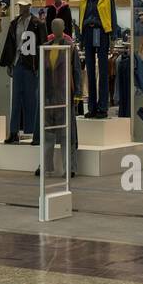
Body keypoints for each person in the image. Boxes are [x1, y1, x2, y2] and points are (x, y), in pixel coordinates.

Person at [37, 18, 81, 177]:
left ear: (63, 28)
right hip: (48, 96)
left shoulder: (70, 47)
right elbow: (42, 72)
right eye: (54, 25)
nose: (56, 28)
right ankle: (45, 166)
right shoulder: (45, 47)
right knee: (47, 133)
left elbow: (76, 71)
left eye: (59, 25)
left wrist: (77, 94)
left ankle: (70, 167)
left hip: (64, 95)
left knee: (66, 134)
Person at [0, 0, 44, 145]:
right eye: (20, 5)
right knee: (16, 99)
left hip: (31, 65)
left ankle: (34, 133)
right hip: (18, 63)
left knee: (32, 99)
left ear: (30, 6)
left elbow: (43, 46)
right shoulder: (14, 23)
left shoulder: (38, 24)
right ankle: (13, 132)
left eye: (24, 5)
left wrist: (39, 66)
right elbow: (11, 44)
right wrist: (9, 63)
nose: (22, 8)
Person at [78, 0, 119, 118]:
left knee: (103, 71)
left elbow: (113, 18)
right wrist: (81, 39)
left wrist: (113, 38)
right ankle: (92, 107)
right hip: (88, 33)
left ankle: (103, 107)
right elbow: (81, 18)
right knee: (90, 71)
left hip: (101, 33)